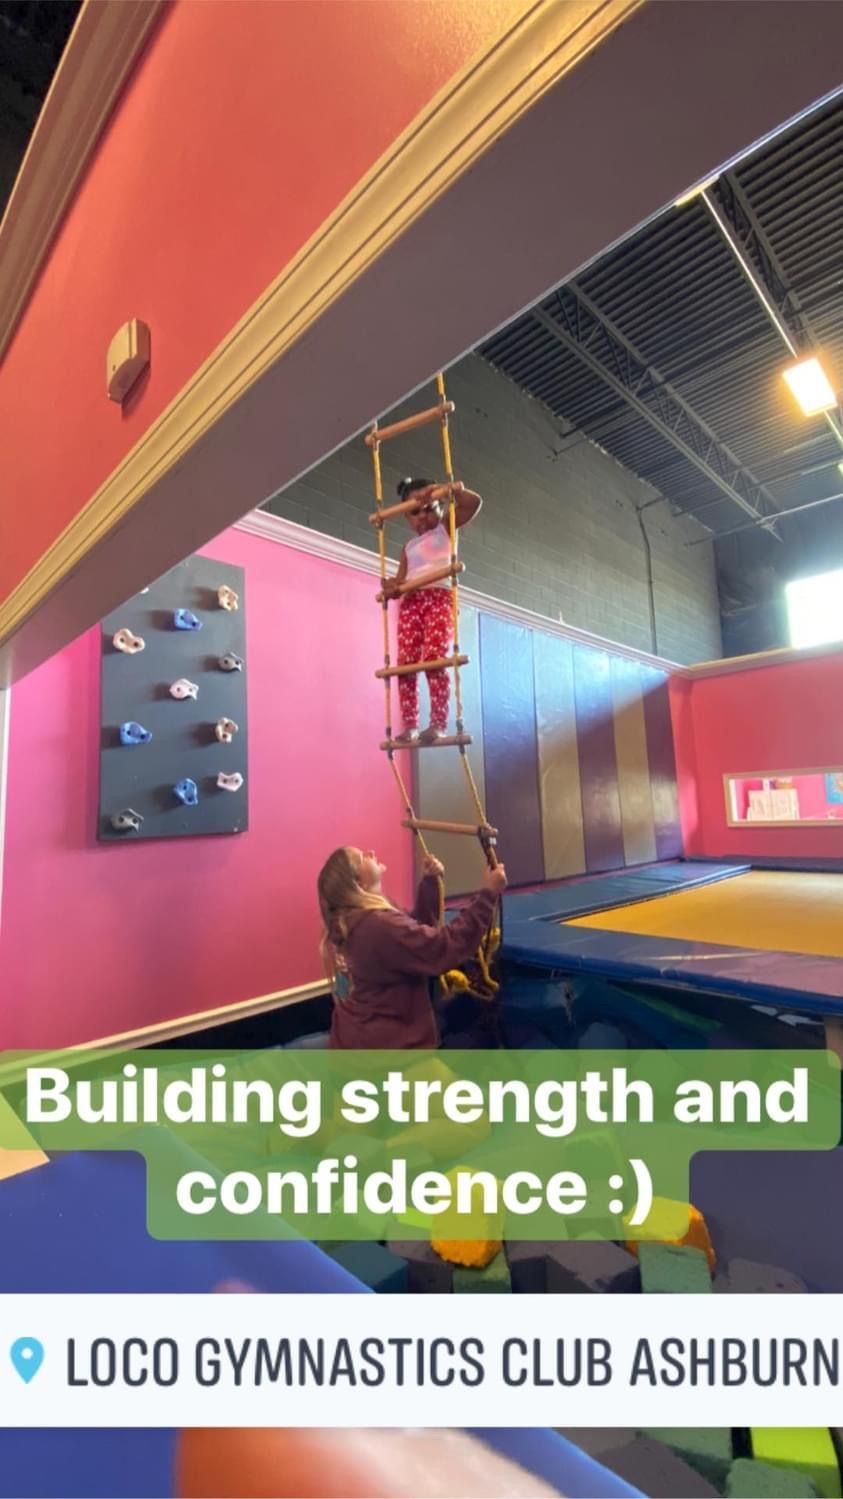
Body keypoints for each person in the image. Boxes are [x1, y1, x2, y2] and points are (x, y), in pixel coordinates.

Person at [317, 845, 506, 1049]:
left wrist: (430, 883)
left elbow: (412, 943)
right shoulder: (378, 924)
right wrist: (488, 894)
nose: (371, 852)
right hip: (384, 1045)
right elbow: (441, 948)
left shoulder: (359, 920)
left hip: (360, 1034)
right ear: (359, 883)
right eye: (362, 857)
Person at [382, 477, 482, 744]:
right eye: (415, 512)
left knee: (435, 658)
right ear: (407, 517)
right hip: (412, 603)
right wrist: (393, 587)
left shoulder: (446, 528)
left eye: (429, 508)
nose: (423, 516)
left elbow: (473, 503)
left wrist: (447, 490)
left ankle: (438, 722)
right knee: (406, 664)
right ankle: (410, 724)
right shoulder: (408, 548)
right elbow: (401, 581)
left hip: (439, 597)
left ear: (440, 507)